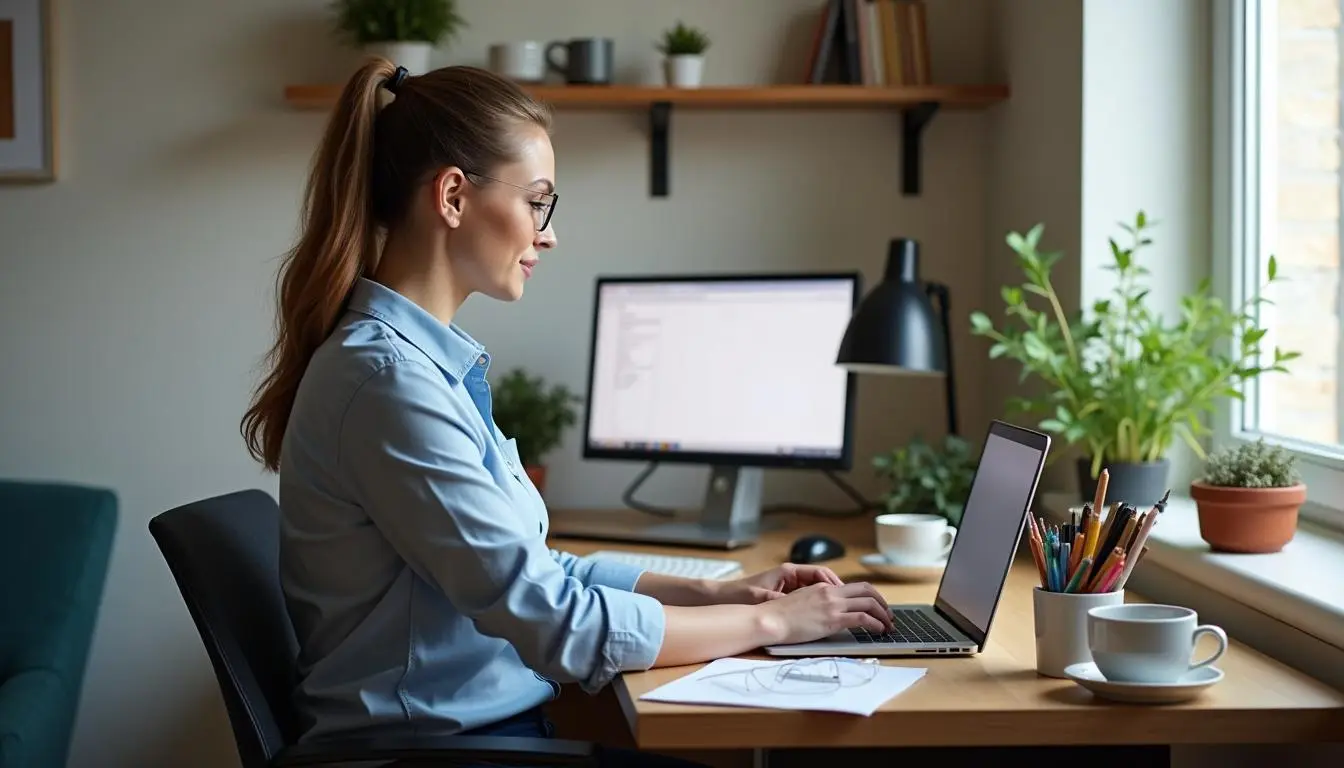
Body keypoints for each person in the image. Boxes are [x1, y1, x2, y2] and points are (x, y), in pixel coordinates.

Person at [239, 58, 894, 765]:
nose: (547, 234)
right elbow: (557, 624)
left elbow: (537, 575)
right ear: (453, 197)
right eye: (537, 201)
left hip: (479, 739)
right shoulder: (389, 384)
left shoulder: (421, 369)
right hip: (437, 751)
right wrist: (770, 620)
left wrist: (722, 594)